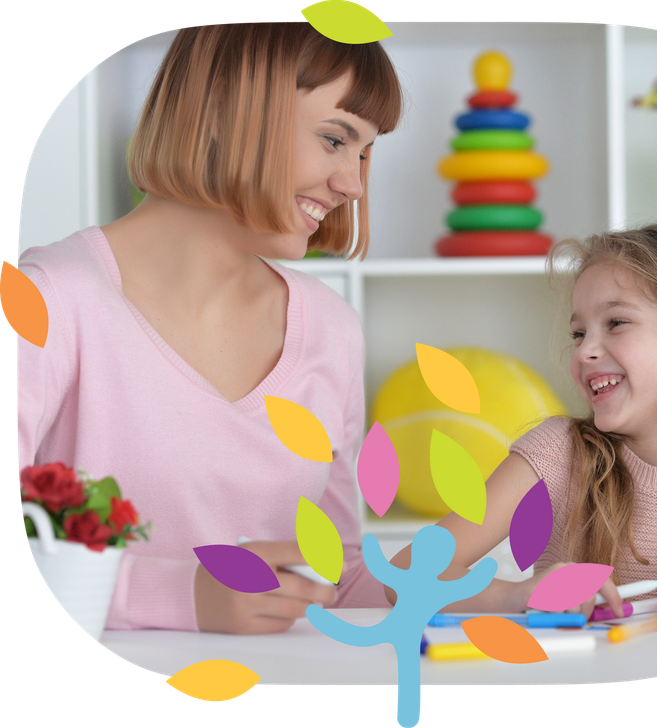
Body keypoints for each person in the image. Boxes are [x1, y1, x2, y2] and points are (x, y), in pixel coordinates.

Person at [17, 22, 403, 634]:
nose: (352, 184)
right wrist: (176, 594)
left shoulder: (332, 329)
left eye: (363, 153)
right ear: (223, 107)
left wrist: (504, 596)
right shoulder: (48, 302)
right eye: (334, 139)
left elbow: (331, 578)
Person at [387, 222, 657, 621]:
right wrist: (513, 594)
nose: (585, 351)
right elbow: (403, 575)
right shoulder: (557, 453)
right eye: (578, 333)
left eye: (616, 323)